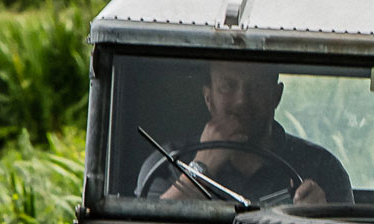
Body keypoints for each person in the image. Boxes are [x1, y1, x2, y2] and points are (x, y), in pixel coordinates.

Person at [141, 60, 351, 205]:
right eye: (228, 86)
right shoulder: (166, 163)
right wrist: (201, 169)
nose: (242, 100)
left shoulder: (322, 168)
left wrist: (319, 219)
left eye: (257, 86)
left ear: (276, 96)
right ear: (209, 98)